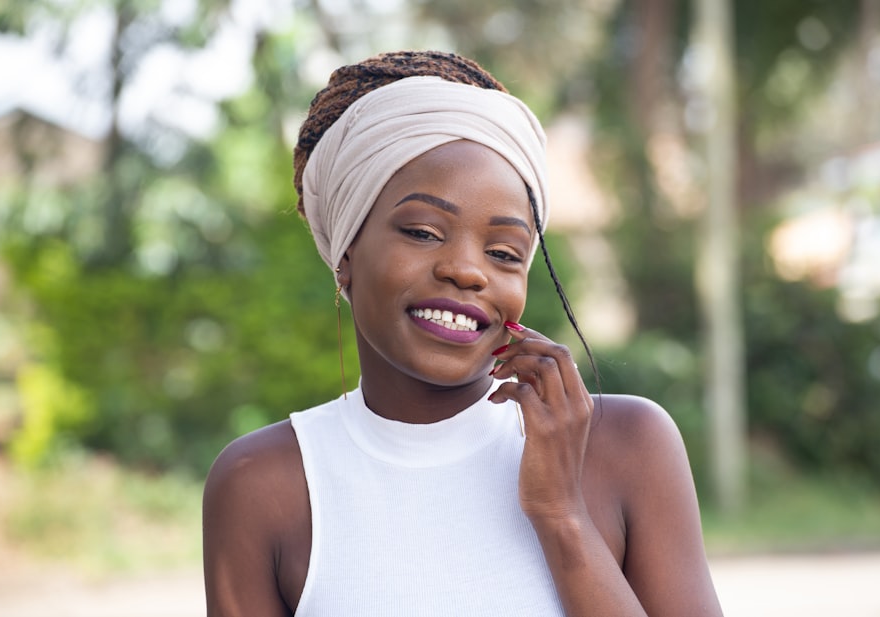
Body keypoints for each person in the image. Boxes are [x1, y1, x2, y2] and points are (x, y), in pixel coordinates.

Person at [202, 49, 723, 617]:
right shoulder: (261, 486)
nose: (468, 270)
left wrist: (562, 515)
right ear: (346, 254)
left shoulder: (626, 446)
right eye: (424, 232)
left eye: (503, 252)